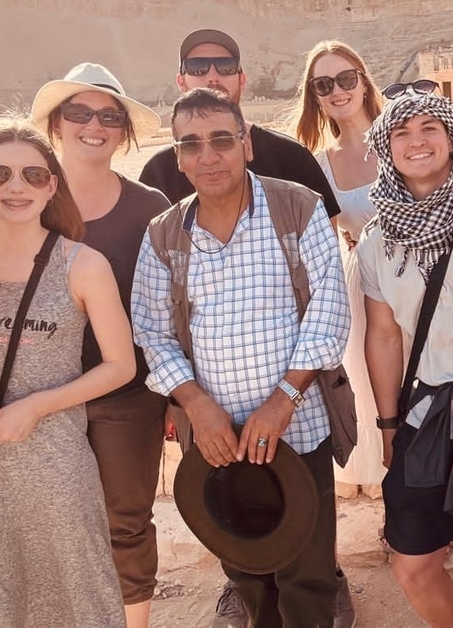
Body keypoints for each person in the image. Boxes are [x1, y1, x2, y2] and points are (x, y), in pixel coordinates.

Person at [131, 88, 349, 628]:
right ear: (178, 158)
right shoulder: (164, 235)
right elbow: (152, 333)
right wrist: (197, 407)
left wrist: (284, 399)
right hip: (216, 442)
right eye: (192, 144)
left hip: (297, 430)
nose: (209, 156)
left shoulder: (296, 207)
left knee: (310, 573)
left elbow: (328, 311)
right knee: (247, 567)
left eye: (222, 139)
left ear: (246, 144)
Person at [0, 117, 136, 627]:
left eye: (32, 175)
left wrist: (37, 405)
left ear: (52, 186)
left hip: (57, 466)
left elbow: (121, 365)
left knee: (81, 603)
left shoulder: (81, 264)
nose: (15, 187)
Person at [359, 90, 453, 627]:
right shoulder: (376, 238)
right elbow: (383, 336)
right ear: (385, 146)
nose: (416, 141)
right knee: (414, 564)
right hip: (427, 418)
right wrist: (387, 424)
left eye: (430, 128)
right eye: (401, 132)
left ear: (452, 137)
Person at [29, 63, 170, 628]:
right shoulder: (22, 197)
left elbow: (171, 305)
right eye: (79, 113)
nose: (94, 125)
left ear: (123, 131)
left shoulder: (151, 207)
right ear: (57, 124)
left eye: (108, 116)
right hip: (36, 391)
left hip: (127, 395)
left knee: (126, 519)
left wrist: (176, 397)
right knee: (46, 519)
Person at [291, 40, 388, 493]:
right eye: (324, 84)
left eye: (346, 78)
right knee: (377, 394)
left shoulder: (402, 135)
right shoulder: (318, 165)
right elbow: (324, 242)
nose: (338, 90)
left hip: (422, 278)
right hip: (362, 284)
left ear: (364, 82)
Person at [139, 28, 340, 217]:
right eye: (197, 68)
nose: (212, 77)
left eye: (225, 67)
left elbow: (325, 241)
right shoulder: (158, 172)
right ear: (181, 82)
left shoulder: (292, 158)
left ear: (242, 80)